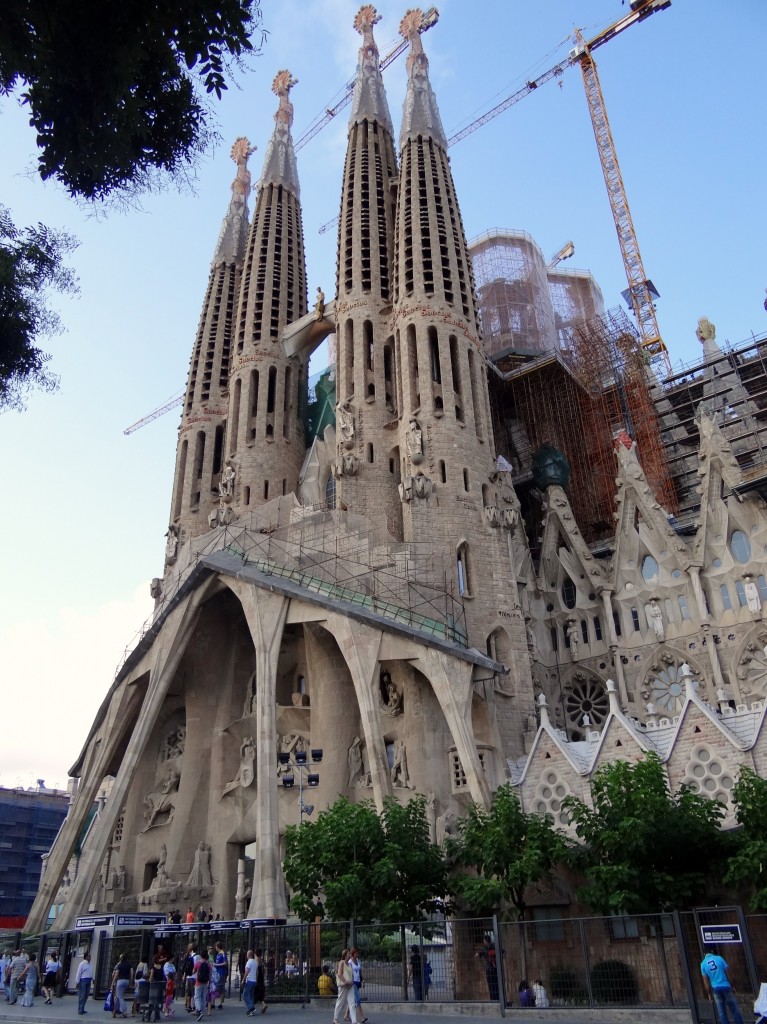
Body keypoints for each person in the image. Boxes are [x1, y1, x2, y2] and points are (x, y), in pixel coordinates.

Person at [701, 948, 743, 1024]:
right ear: (712, 952)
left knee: (721, 1012)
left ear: (704, 954)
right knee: (734, 1009)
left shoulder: (703, 964)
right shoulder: (719, 958)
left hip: (715, 988)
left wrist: (709, 994)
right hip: (726, 986)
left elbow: (706, 982)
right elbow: (729, 973)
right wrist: (732, 986)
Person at [333, 949, 356, 1024]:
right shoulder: (341, 962)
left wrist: (352, 982)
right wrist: (345, 982)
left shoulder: (350, 964)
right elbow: (339, 974)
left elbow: (352, 975)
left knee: (352, 1002)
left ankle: (354, 1021)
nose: (350, 955)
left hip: (350, 985)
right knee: (340, 1002)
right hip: (343, 985)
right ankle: (335, 1019)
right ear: (345, 955)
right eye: (349, 954)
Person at [348, 950, 368, 1023]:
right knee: (358, 999)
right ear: (353, 954)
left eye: (358, 953)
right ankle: (362, 1017)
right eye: (356, 953)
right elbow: (349, 972)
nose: (357, 954)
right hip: (353, 981)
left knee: (353, 999)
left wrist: (361, 979)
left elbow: (360, 970)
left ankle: (346, 1015)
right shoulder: (350, 962)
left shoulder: (358, 960)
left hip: (358, 980)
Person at [194, 950, 211, 1022]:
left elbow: (193, 971)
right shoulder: (208, 964)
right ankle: (202, 1011)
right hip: (206, 982)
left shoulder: (198, 963)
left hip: (198, 982)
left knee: (197, 997)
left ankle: (199, 1010)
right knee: (203, 997)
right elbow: (210, 974)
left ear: (201, 956)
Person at [213, 943, 227, 1009]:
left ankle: (220, 1003)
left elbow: (225, 962)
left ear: (218, 947)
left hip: (221, 972)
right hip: (217, 972)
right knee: (215, 987)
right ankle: (213, 1003)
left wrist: (216, 965)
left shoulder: (222, 953)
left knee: (219, 988)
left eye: (216, 946)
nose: (215, 948)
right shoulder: (218, 954)